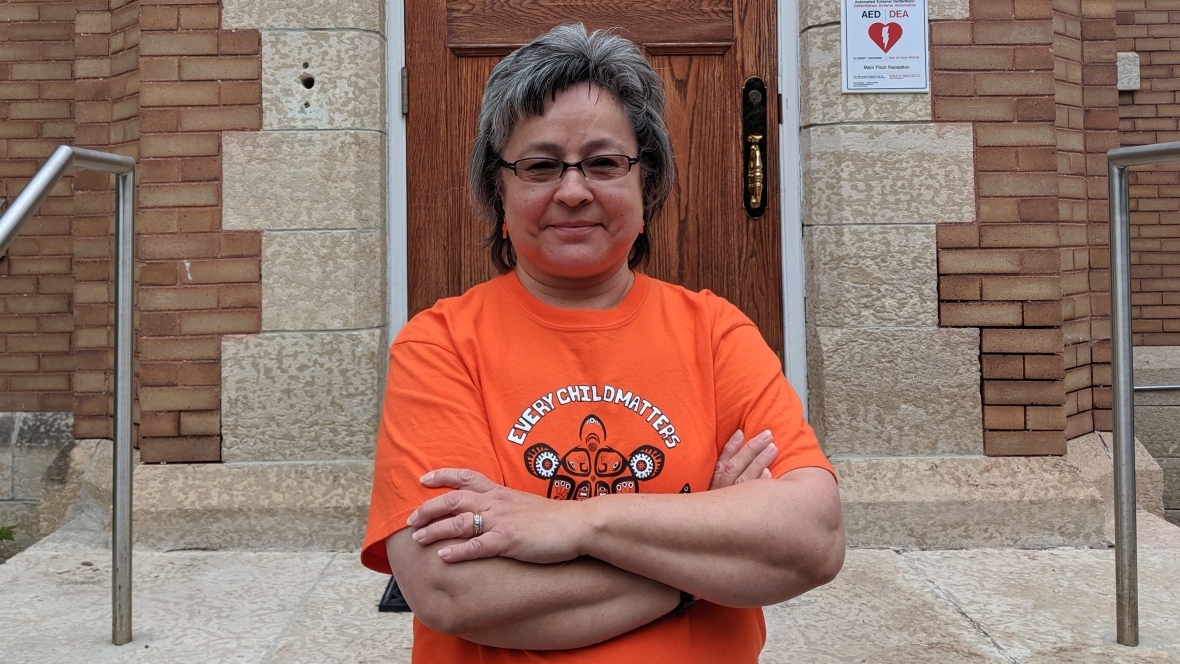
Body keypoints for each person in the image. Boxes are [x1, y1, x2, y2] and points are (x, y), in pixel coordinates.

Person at [361, 23, 844, 663]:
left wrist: (571, 523)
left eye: (604, 162)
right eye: (539, 165)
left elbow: (813, 538)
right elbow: (454, 591)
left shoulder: (717, 333)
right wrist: (704, 558)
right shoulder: (440, 344)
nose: (572, 190)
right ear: (497, 191)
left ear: (646, 186)